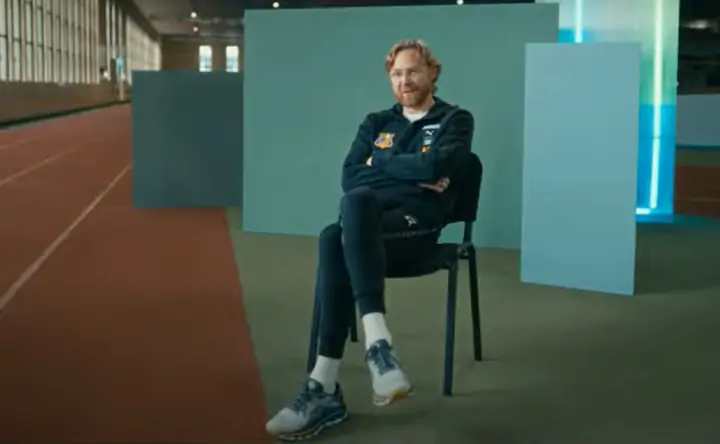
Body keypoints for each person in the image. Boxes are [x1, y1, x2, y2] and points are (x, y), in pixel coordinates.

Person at [266, 38, 475, 441]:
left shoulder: (455, 120)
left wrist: (378, 162)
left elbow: (439, 163)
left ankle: (325, 386)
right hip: (369, 229)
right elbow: (350, 176)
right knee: (344, 220)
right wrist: (415, 173)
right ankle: (374, 349)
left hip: (417, 231)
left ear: (432, 72)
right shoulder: (376, 122)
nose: (404, 81)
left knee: (338, 233)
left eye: (412, 71)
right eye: (396, 74)